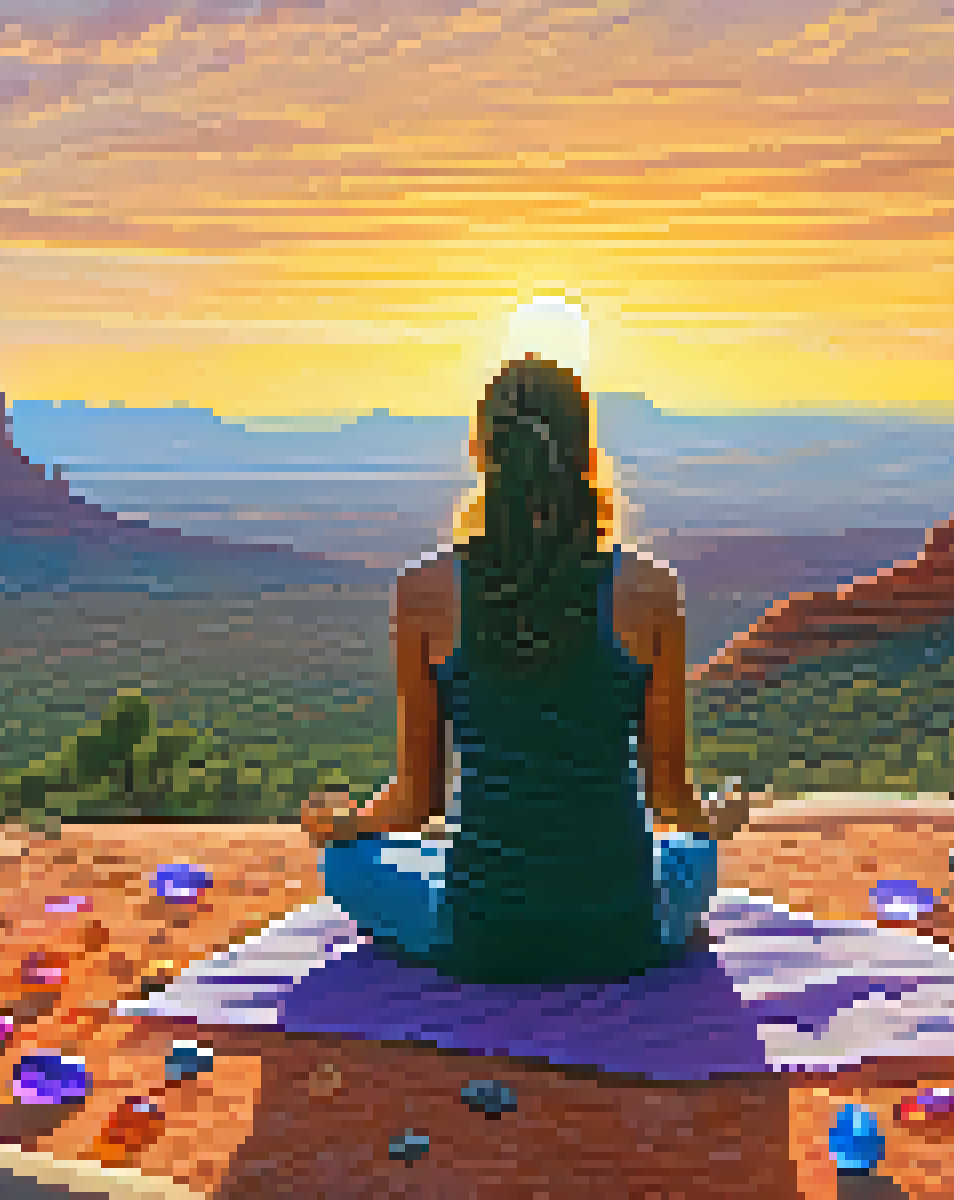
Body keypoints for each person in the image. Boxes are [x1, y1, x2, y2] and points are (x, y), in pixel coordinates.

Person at [296, 354, 717, 985]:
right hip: (623, 933)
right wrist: (717, 820)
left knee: (346, 866)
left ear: (481, 451)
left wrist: (347, 824)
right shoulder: (651, 590)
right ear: (584, 453)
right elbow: (669, 801)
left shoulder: (423, 593)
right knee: (694, 853)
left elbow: (415, 805)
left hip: (484, 934)